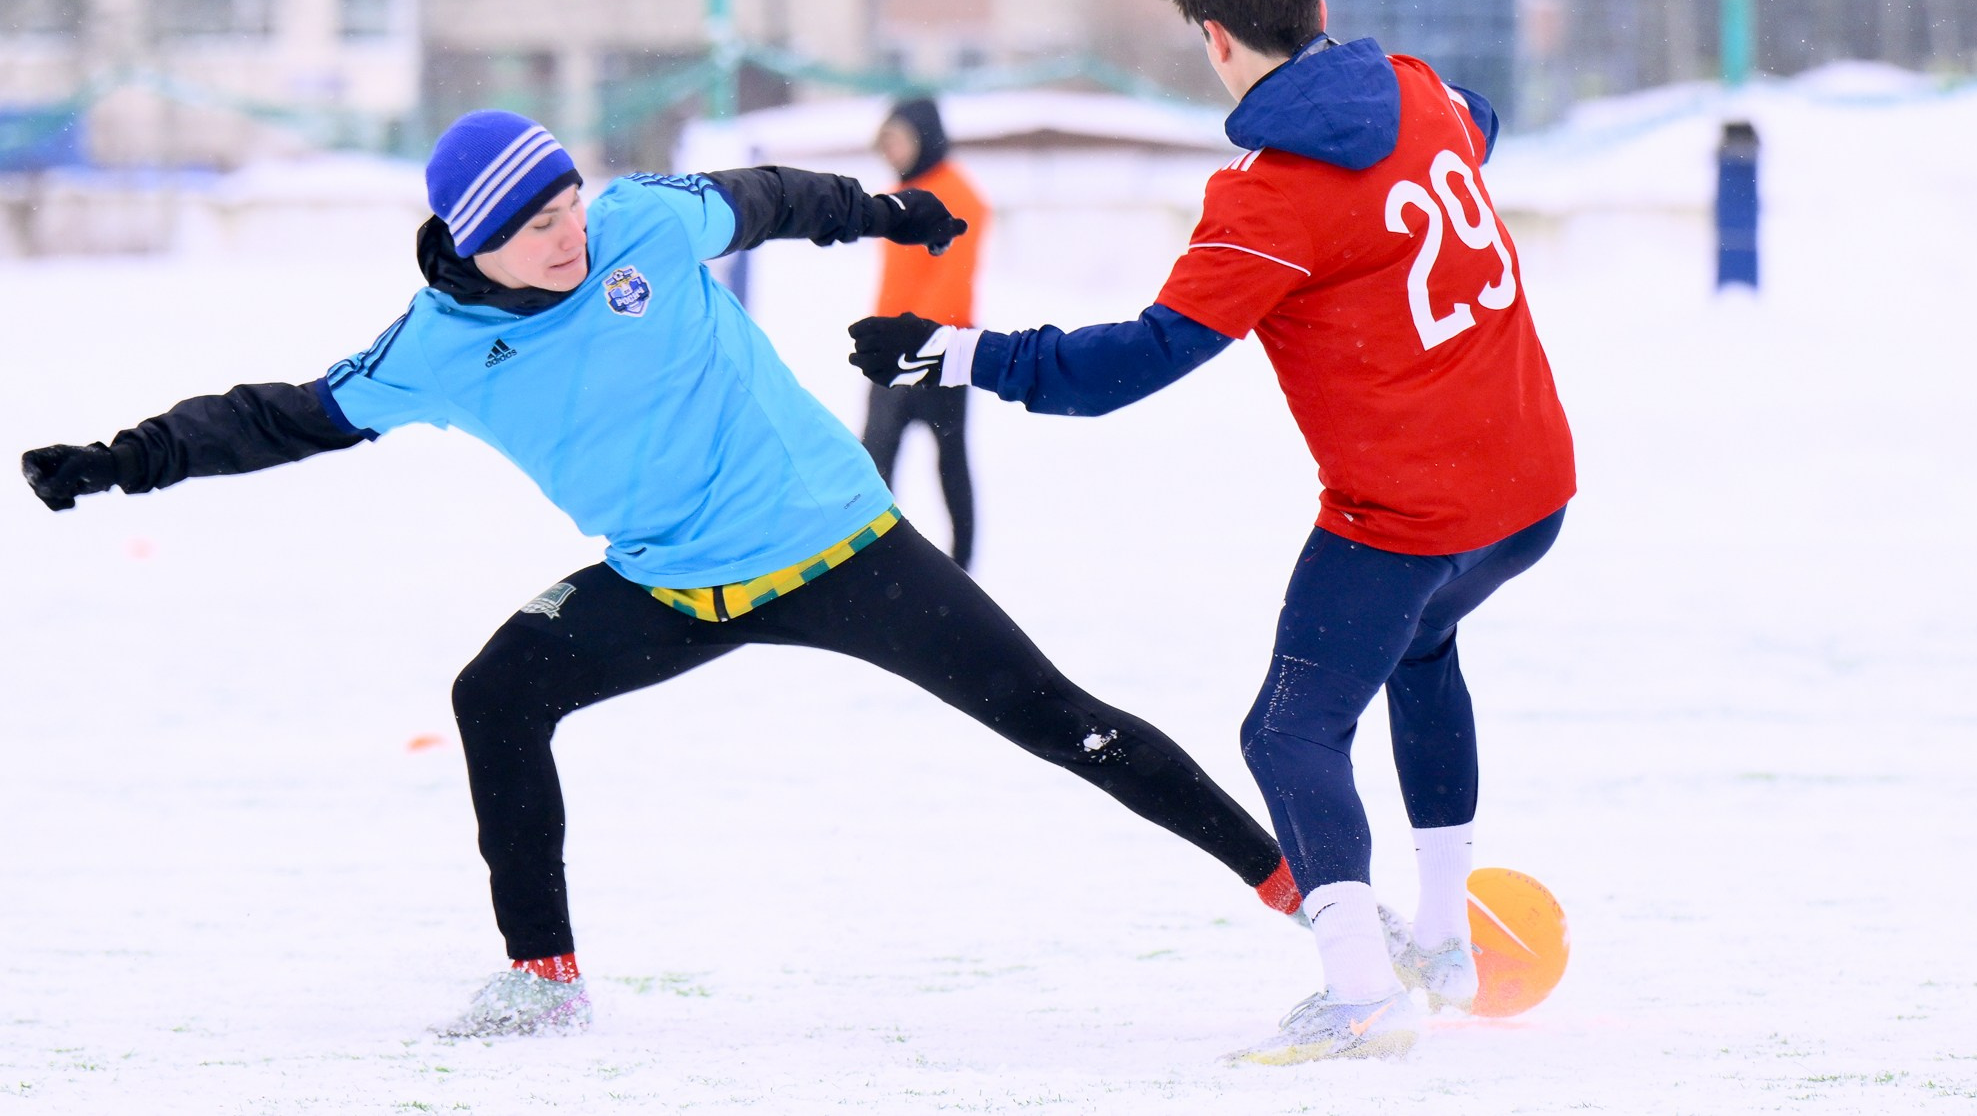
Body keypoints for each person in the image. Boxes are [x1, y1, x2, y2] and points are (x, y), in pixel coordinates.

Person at [19, 110, 1306, 1040]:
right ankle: (543, 980)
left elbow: (770, 197)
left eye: (568, 200)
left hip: (840, 546)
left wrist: (880, 211)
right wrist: (125, 459)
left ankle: (1306, 891)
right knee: (496, 696)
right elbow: (277, 415)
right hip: (671, 583)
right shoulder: (436, 347)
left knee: (1057, 718)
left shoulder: (639, 220)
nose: (566, 231)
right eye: (533, 225)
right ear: (472, 245)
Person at [849, 0, 1576, 1064]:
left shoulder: (1270, 196)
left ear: (1213, 38)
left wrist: (955, 349)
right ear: (1319, 11)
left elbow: (1127, 366)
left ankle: (1359, 993)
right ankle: (1441, 938)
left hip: (1407, 514)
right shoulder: (1419, 87)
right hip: (1531, 486)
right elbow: (1472, 130)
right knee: (1422, 654)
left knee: (1288, 733)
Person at [859, 97, 989, 568]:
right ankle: (874, 564)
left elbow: (952, 282)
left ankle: (962, 568)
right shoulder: (899, 196)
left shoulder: (959, 195)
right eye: (886, 141)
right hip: (890, 352)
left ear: (924, 139)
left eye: (899, 140)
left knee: (949, 462)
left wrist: (912, 345)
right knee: (873, 464)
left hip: (942, 353)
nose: (891, 150)